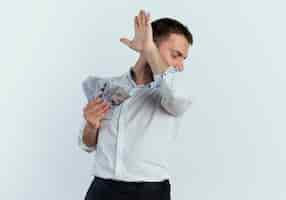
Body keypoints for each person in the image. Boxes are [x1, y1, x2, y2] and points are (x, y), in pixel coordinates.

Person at [78, 9, 194, 200]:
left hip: (149, 192)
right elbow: (87, 144)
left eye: (183, 58)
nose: (180, 65)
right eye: (176, 55)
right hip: (102, 189)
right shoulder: (106, 87)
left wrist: (148, 50)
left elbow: (176, 102)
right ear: (153, 44)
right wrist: (91, 125)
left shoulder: (173, 90)